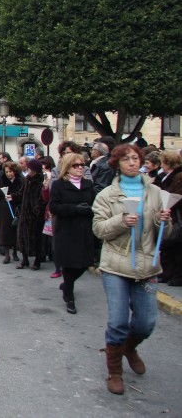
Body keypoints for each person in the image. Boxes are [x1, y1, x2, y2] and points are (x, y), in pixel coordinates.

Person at [92, 143, 172, 395]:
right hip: (116, 265)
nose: (132, 163)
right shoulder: (106, 195)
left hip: (147, 266)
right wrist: (121, 221)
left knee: (146, 322)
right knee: (117, 321)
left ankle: (128, 347)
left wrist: (164, 223)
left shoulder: (156, 192)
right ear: (117, 164)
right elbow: (99, 229)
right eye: (126, 159)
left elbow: (164, 234)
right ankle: (115, 371)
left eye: (136, 158)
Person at [49, 153, 96, 315]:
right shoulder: (59, 185)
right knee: (69, 264)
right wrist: (74, 209)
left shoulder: (88, 184)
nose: (80, 168)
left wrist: (89, 210)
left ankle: (67, 284)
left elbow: (95, 204)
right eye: (76, 165)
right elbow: (54, 207)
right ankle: (69, 295)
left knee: (85, 263)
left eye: (82, 165)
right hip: (67, 229)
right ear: (67, 168)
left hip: (85, 229)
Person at [16, 159, 49, 270]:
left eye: (29, 168)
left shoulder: (40, 181)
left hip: (35, 216)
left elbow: (42, 199)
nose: (27, 169)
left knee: (36, 239)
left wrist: (37, 210)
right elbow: (21, 193)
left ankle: (37, 261)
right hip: (24, 214)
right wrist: (13, 196)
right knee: (22, 237)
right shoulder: (26, 179)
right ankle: (24, 260)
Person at [157, 150, 182, 285]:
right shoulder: (166, 176)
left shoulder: (178, 176)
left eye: (162, 162)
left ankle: (176, 276)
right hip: (169, 214)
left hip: (175, 215)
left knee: (175, 247)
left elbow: (177, 195)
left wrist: (166, 201)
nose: (161, 165)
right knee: (168, 246)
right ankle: (168, 273)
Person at [0, 161, 23, 264]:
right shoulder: (2, 181)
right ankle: (7, 254)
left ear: (15, 171)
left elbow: (22, 194)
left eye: (11, 171)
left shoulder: (20, 181)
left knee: (15, 231)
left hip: (16, 208)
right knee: (5, 231)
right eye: (7, 171)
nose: (9, 174)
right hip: (4, 209)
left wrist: (13, 196)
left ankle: (15, 253)